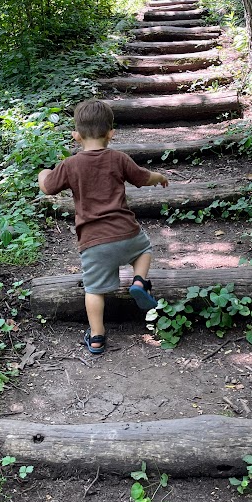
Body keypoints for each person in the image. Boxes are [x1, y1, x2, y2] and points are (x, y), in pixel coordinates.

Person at [38, 99, 169, 355]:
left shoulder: (70, 164)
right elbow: (143, 178)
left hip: (94, 242)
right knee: (145, 250)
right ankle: (140, 282)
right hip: (127, 233)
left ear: (76, 136)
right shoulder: (118, 158)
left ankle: (97, 336)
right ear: (111, 133)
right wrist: (160, 177)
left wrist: (43, 172)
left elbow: (48, 187)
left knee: (94, 290)